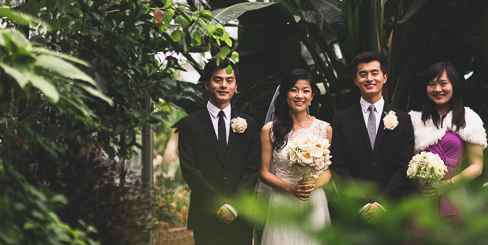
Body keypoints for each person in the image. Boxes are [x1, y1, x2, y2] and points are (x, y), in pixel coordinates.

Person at [177, 58, 261, 244]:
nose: (224, 85)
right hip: (206, 215)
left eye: (229, 80)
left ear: (236, 85)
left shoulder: (250, 123)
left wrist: (233, 206)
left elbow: (252, 168)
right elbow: (189, 169)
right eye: (218, 80)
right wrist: (218, 203)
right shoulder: (189, 124)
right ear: (207, 84)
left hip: (241, 216)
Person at [330, 51, 414, 224]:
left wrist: (381, 204)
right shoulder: (341, 119)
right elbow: (338, 165)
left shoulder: (403, 119)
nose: (369, 78)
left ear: (384, 77)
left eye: (374, 73)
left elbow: (404, 165)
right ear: (355, 80)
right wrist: (362, 205)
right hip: (353, 212)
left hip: (391, 210)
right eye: (363, 74)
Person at [259, 69, 332, 245]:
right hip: (283, 200)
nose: (300, 95)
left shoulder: (324, 129)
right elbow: (264, 173)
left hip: (314, 201)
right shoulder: (270, 130)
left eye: (305, 90)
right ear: (285, 95)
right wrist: (290, 188)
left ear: (312, 96)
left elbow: (327, 171)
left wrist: (314, 183)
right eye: (294, 90)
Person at [408, 62, 487, 223]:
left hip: (453, 195)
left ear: (454, 86)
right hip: (420, 195)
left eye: (443, 83)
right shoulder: (414, 121)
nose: (437, 89)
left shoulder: (469, 119)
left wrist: (446, 185)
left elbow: (477, 166)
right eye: (431, 84)